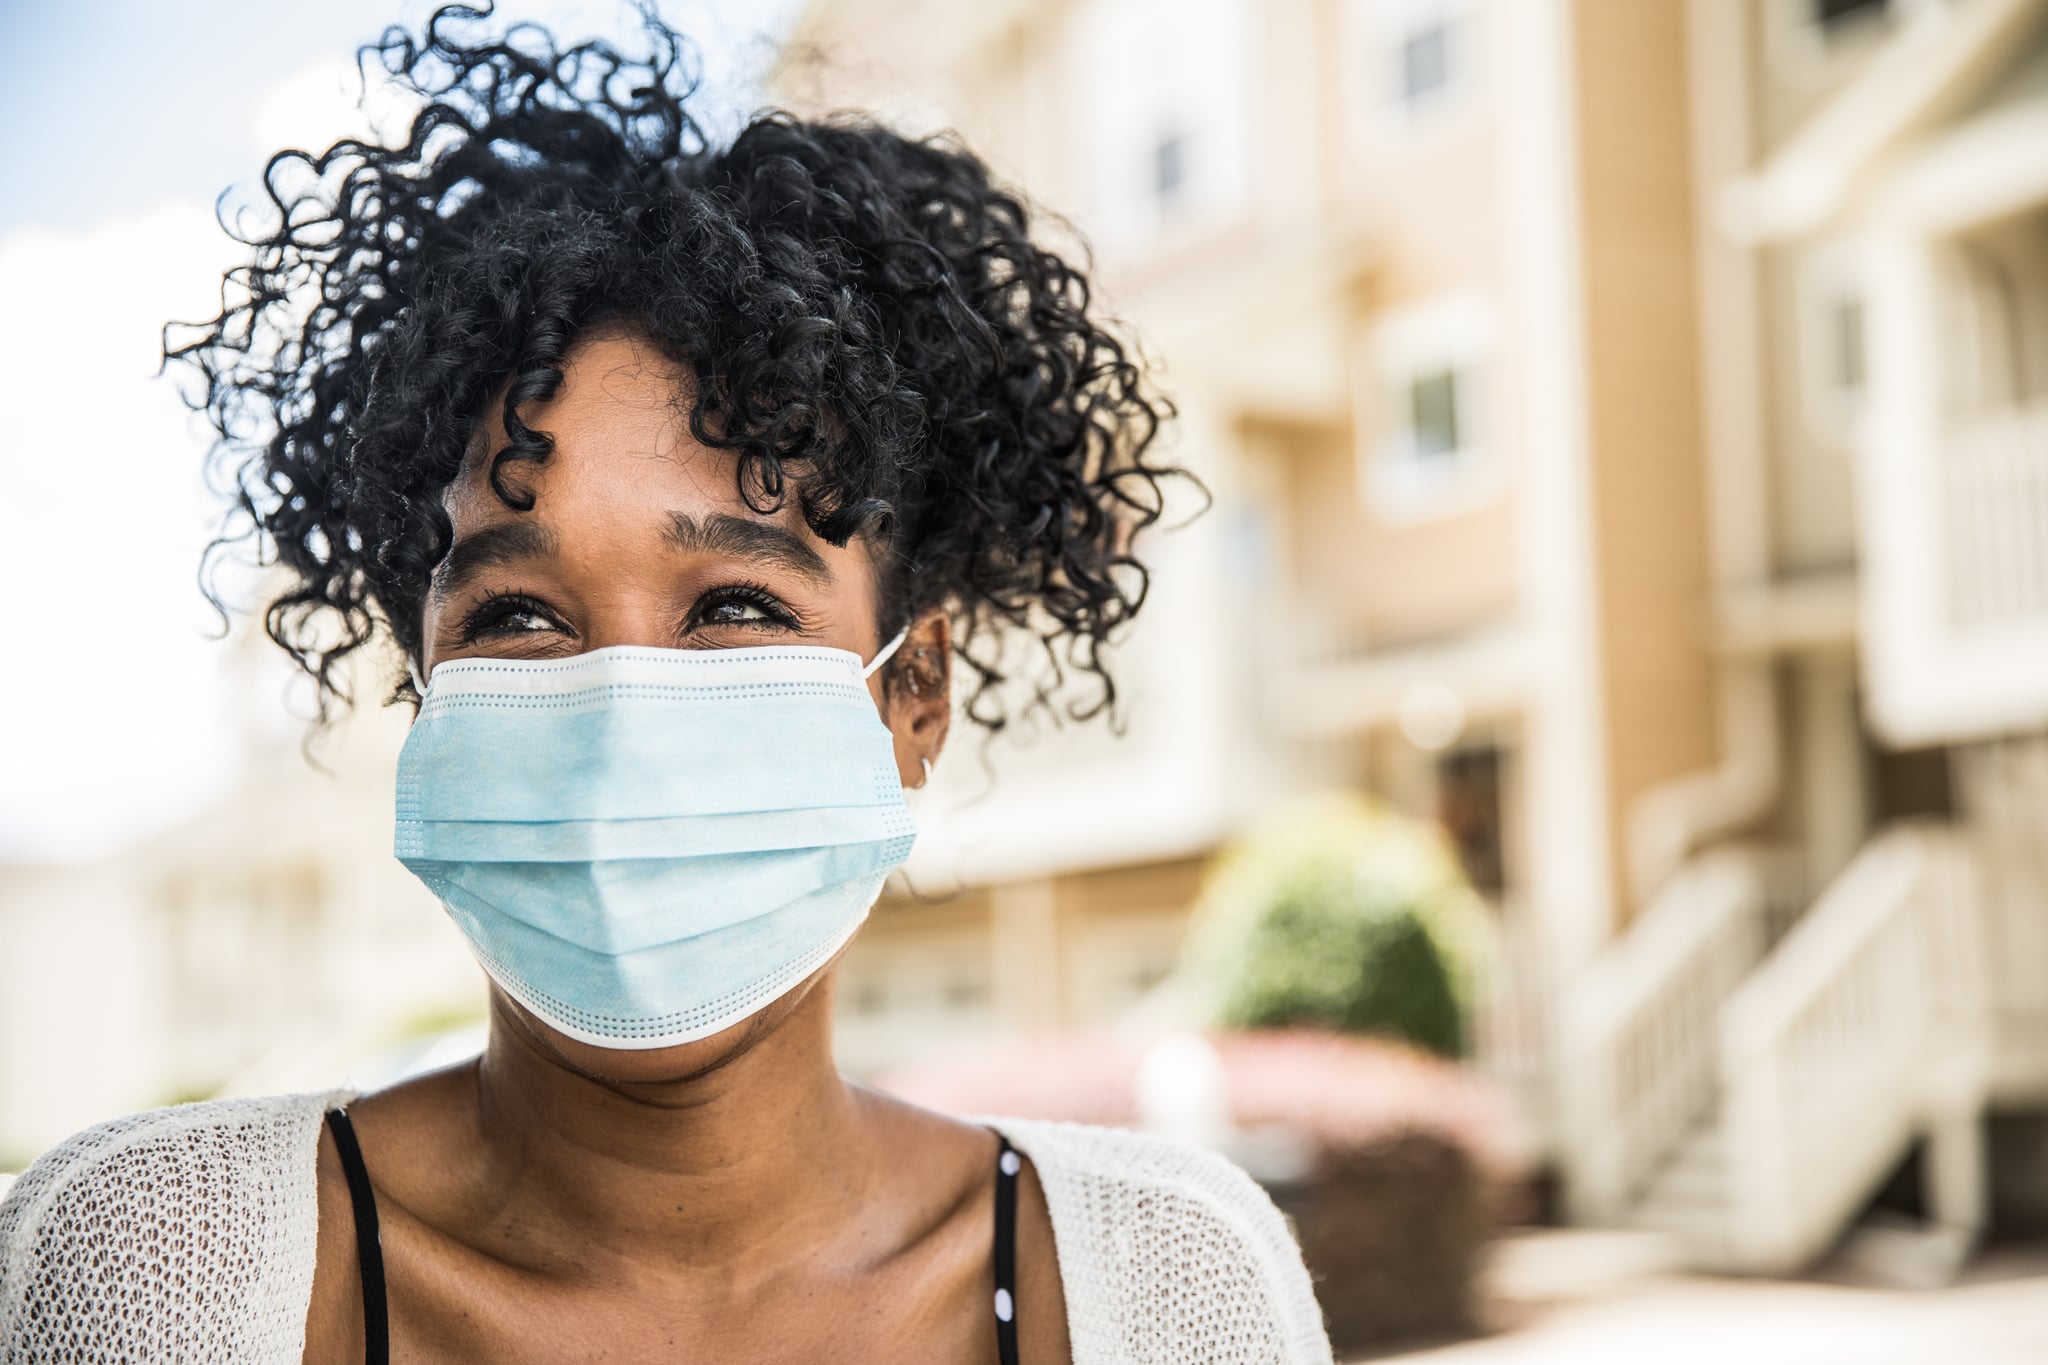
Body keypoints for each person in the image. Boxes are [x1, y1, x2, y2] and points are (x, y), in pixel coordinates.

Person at [0, 8, 1333, 1362]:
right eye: (518, 613)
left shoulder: (1165, 1284)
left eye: (737, 606)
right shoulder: (154, 1268)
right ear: (427, 690)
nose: (621, 719)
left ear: (910, 692)